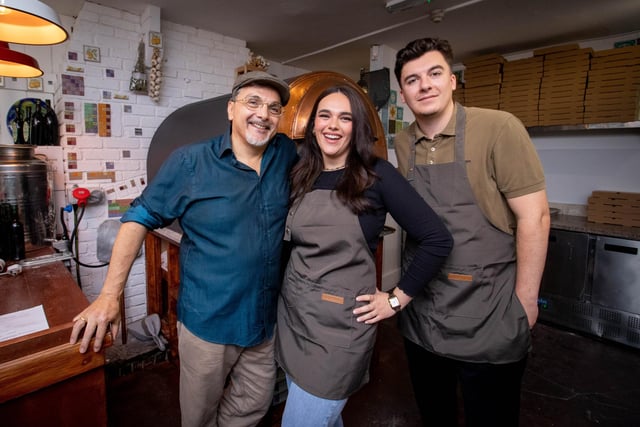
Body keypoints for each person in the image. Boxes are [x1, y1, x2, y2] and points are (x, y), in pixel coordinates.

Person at [69, 71, 298, 427]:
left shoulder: (284, 153)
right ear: (230, 109)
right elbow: (137, 219)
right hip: (209, 323)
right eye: (253, 102)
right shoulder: (190, 162)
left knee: (253, 404)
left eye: (273, 108)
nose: (263, 114)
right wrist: (109, 296)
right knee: (199, 416)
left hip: (263, 322)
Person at [392, 37, 551, 426]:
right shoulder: (402, 141)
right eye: (412, 80)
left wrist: (526, 302)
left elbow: (536, 217)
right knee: (435, 413)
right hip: (424, 313)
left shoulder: (498, 128)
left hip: (489, 311)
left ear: (452, 81)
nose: (424, 85)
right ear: (402, 92)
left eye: (434, 73)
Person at [275, 84, 453, 427]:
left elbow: (437, 239)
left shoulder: (376, 174)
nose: (332, 125)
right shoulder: (301, 173)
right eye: (324, 116)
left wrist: (396, 300)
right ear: (313, 125)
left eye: (345, 118)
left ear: (357, 127)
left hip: (337, 333)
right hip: (294, 319)